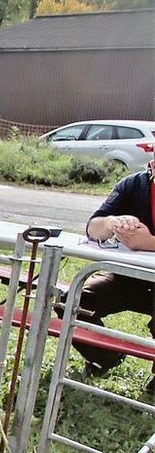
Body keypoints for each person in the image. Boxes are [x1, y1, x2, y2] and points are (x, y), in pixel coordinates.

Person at [67, 159, 155, 391]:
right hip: (127, 278)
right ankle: (105, 357)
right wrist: (111, 223)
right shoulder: (134, 184)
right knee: (72, 300)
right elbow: (93, 226)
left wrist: (148, 243)